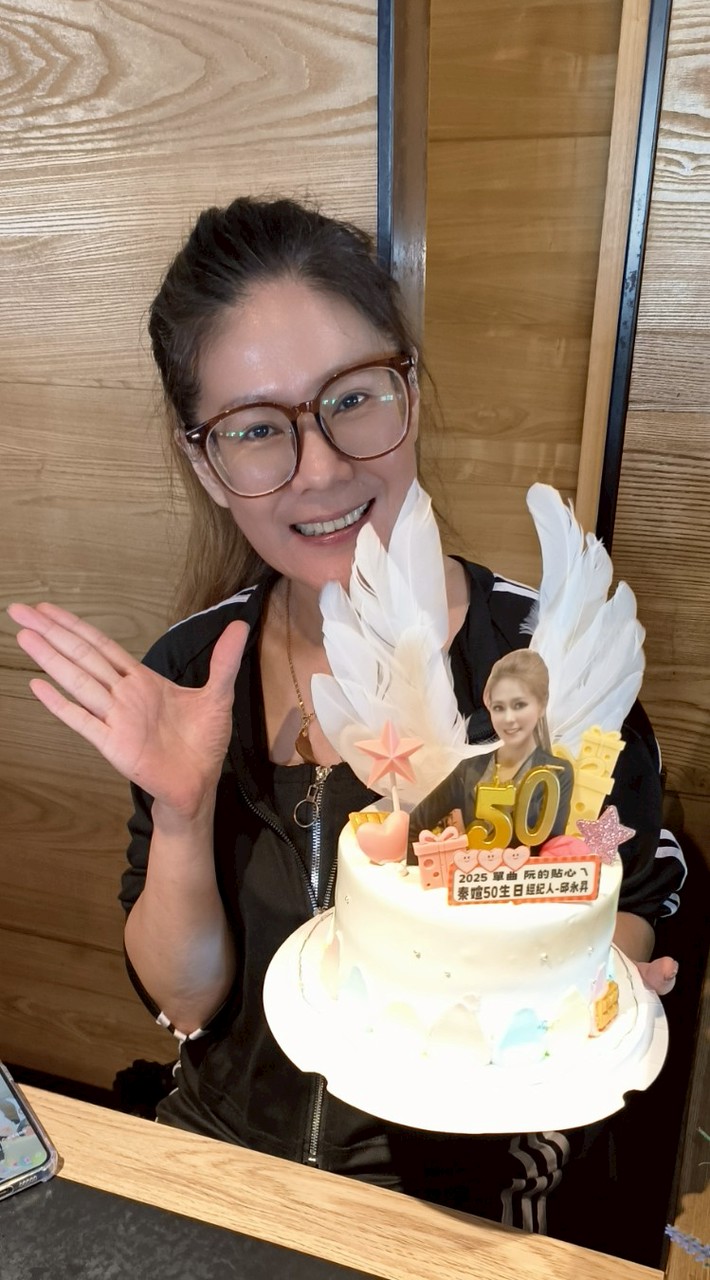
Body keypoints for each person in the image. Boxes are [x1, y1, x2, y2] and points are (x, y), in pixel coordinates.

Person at [8, 195, 683, 1246]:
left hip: (462, 1199)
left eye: (352, 398)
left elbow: (626, 901)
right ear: (206, 462)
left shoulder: (549, 666)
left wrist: (575, 972)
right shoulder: (191, 672)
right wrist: (182, 812)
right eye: (255, 428)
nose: (320, 468)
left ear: (406, 387)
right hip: (219, 1158)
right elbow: (188, 1005)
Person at [409, 649, 574, 843]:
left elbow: (553, 852)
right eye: (499, 708)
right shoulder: (468, 770)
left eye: (519, 705)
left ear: (541, 705)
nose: (508, 718)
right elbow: (413, 827)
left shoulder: (558, 773)